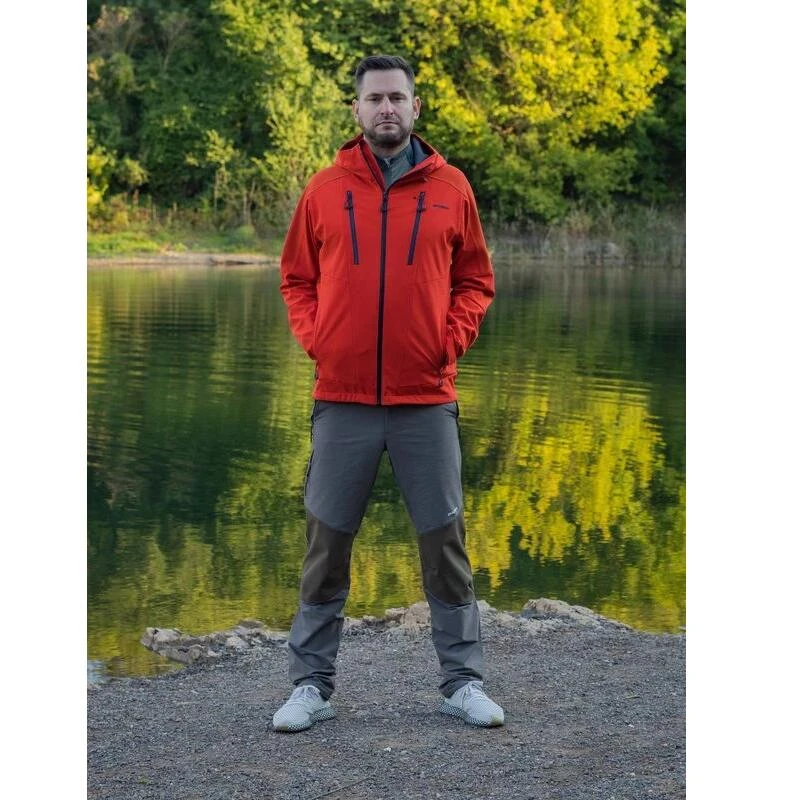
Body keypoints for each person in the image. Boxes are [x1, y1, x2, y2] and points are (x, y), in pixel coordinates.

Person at [274, 54, 503, 732]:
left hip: (424, 397)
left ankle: (462, 683)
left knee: (445, 544)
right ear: (356, 109)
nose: (386, 108)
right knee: (326, 545)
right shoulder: (324, 189)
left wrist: (447, 342)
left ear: (415, 106)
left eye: (397, 97)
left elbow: (475, 281)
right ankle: (310, 687)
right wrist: (322, 342)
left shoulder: (452, 187)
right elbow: (296, 279)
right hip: (342, 398)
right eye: (374, 98)